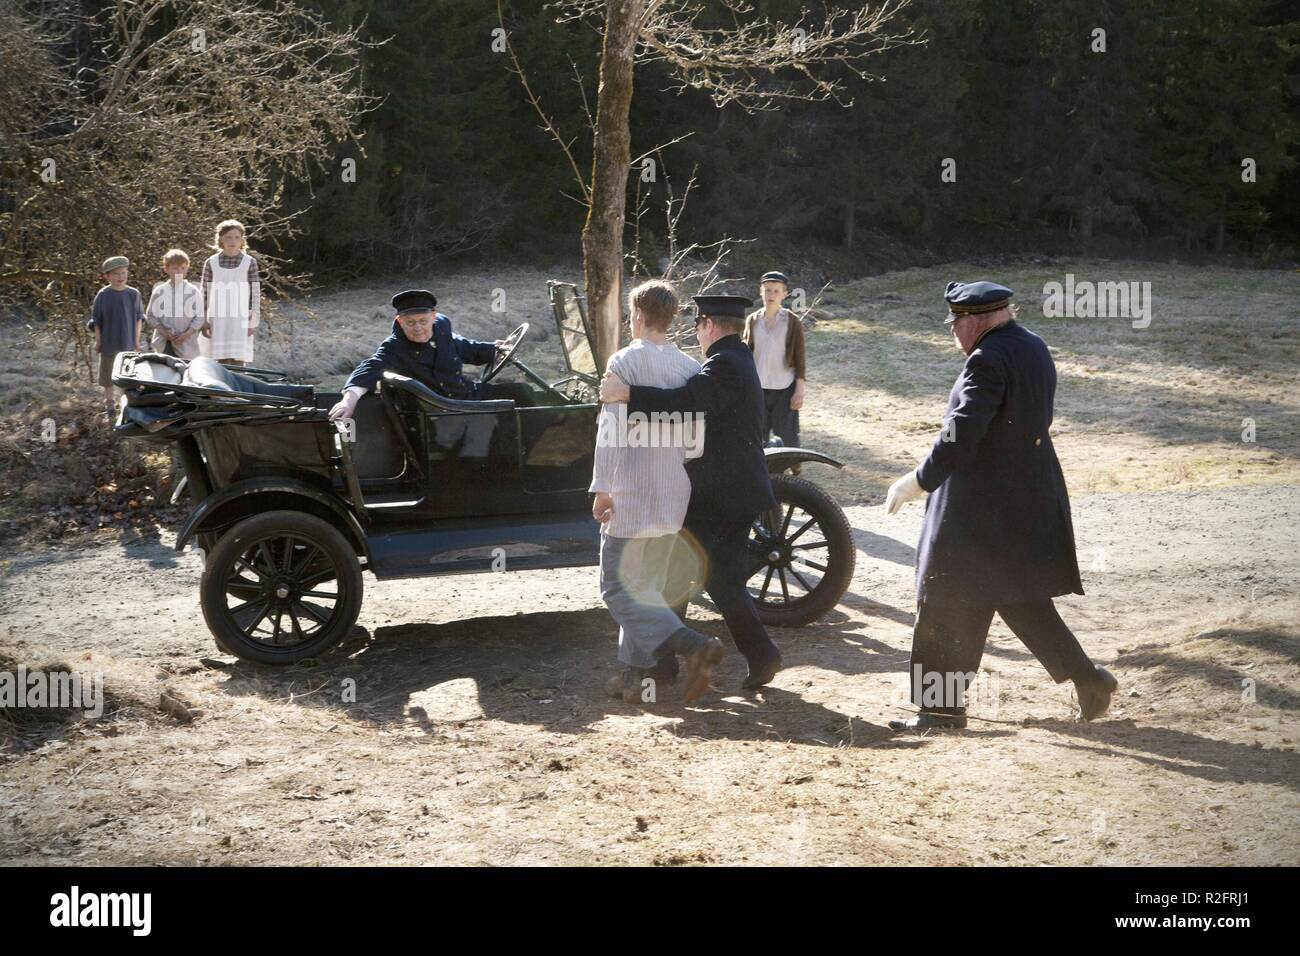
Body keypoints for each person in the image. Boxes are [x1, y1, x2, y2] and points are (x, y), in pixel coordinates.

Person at [883, 280, 1118, 731]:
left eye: (956, 321)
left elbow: (962, 431)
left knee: (945, 601)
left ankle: (941, 710)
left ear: (978, 320)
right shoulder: (1033, 345)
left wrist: (918, 480)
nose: (952, 330)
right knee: (1018, 596)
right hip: (1025, 496)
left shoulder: (987, 359)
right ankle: (1091, 680)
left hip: (978, 509)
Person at [600, 294, 783, 691]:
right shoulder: (734, 360)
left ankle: (669, 661)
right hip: (733, 490)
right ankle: (757, 655)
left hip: (724, 494)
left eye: (698, 327)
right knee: (719, 579)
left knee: (678, 574)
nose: (697, 335)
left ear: (708, 325)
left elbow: (687, 402)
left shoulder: (724, 364)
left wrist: (627, 394)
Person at [591, 280, 725, 705]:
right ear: (669, 319)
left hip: (630, 488)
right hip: (672, 490)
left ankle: (691, 644)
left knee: (616, 586)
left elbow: (609, 432)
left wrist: (601, 486)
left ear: (639, 316)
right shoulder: (689, 368)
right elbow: (696, 445)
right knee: (645, 586)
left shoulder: (623, 361)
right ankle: (633, 680)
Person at [328, 289, 505, 422]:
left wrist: (493, 350)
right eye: (410, 323)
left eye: (423, 321)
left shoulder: (442, 328)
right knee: (509, 416)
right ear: (400, 322)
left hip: (467, 398)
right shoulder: (394, 347)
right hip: (440, 413)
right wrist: (349, 400)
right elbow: (370, 367)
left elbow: (462, 347)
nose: (418, 328)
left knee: (521, 391)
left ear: (434, 317)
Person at [743, 271, 807, 456]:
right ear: (760, 292)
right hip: (758, 387)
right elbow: (747, 353)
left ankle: (794, 472)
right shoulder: (753, 320)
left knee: (788, 436)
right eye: (768, 290)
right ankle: (764, 471)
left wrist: (799, 390)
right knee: (757, 435)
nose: (771, 295)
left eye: (776, 291)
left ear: (784, 294)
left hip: (784, 387)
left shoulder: (792, 321)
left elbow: (800, 356)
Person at [89, 256, 144, 423]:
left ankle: (125, 404)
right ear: (107, 276)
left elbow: (139, 319)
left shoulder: (133, 294)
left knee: (127, 375)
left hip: (127, 341)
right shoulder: (103, 294)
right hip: (109, 341)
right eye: (116, 274)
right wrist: (99, 341)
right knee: (107, 376)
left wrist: (136, 341)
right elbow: (96, 320)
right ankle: (109, 404)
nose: (120, 277)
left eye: (123, 273)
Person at [200, 219, 260, 366]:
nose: (232, 241)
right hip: (218, 319)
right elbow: (204, 293)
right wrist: (204, 321)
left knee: (238, 361)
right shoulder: (211, 262)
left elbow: (255, 293)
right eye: (228, 237)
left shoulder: (249, 262)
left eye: (236, 237)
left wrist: (252, 321)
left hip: (240, 319)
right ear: (221, 239)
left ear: (242, 239)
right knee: (218, 362)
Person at [146, 249, 205, 359]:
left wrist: (185, 335)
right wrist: (163, 331)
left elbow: (200, 317)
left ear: (187, 268)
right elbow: (151, 316)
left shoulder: (193, 291)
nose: (179, 272)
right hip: (164, 344)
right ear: (166, 269)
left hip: (187, 344)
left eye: (183, 268)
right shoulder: (160, 291)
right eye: (175, 268)